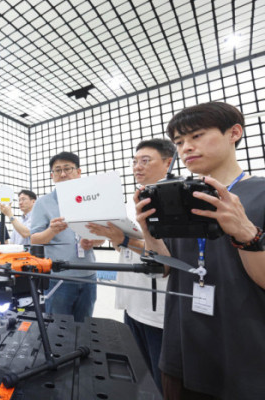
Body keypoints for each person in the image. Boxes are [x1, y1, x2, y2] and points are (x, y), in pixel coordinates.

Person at [135, 102, 265, 399]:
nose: (186, 148)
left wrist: (247, 233)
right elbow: (166, 268)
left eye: (196, 136)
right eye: (179, 142)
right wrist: (148, 231)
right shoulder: (179, 196)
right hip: (181, 349)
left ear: (234, 133)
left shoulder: (260, 193)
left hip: (246, 353)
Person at [87, 138, 175, 393]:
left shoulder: (174, 201)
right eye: (135, 161)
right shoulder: (131, 202)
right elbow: (122, 249)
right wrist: (112, 238)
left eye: (145, 161)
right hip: (132, 301)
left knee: (162, 380)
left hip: (158, 309)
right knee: (140, 373)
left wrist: (125, 239)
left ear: (168, 163)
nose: (137, 166)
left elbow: (167, 256)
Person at [30, 151, 103, 322]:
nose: (63, 174)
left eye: (68, 169)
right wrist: (51, 231)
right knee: (58, 327)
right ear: (52, 175)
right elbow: (34, 239)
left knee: (85, 326)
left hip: (89, 275)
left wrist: (93, 241)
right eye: (58, 170)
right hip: (59, 278)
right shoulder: (43, 203)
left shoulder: (91, 200)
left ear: (78, 172)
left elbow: (102, 238)